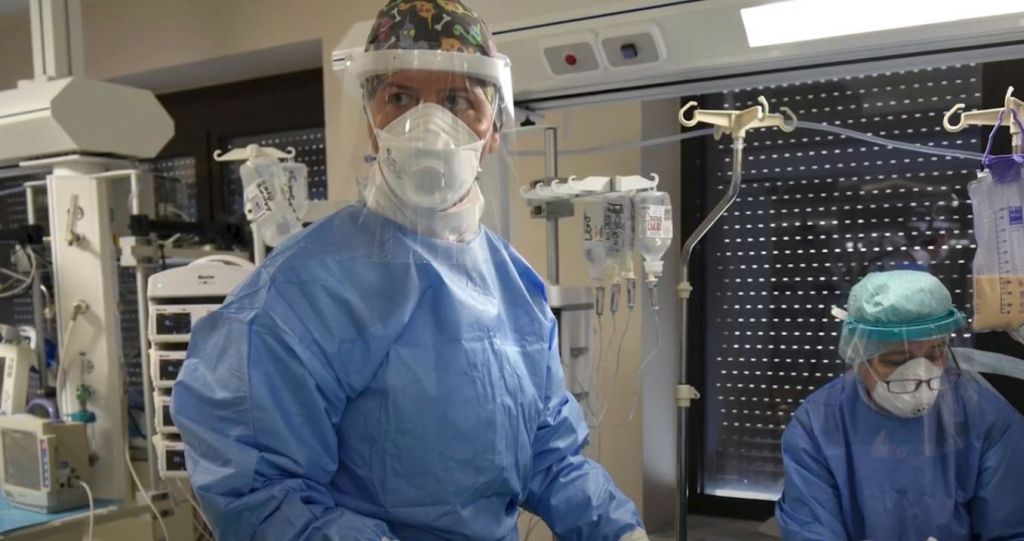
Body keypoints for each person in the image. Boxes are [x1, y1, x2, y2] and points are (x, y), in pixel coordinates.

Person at [170, 1, 648, 540]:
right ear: (372, 124)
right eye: (399, 98)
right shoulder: (293, 298)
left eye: (456, 100)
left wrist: (618, 531)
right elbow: (264, 496)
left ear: (493, 128)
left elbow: (550, 457)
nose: (427, 127)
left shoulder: (514, 288)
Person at [776, 270, 1024, 541]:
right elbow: (811, 529)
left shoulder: (985, 417)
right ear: (859, 356)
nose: (920, 374)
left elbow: (1010, 528)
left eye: (935, 354)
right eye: (896, 360)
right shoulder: (818, 425)